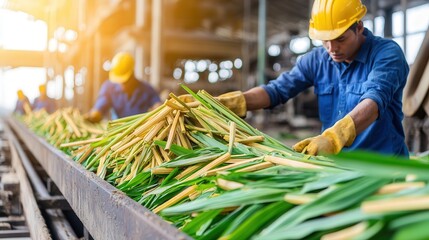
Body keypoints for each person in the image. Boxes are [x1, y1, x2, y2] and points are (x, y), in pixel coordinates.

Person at [219, 0, 410, 157]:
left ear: (359, 27)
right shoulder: (317, 60)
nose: (332, 48)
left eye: (340, 39)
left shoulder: (386, 53)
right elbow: (276, 90)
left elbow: (374, 101)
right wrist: (231, 103)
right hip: (335, 167)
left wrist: (335, 137)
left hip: (383, 166)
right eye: (325, 40)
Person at [85, 52, 161, 123]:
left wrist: (159, 110)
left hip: (141, 132)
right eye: (119, 81)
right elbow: (99, 108)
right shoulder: (109, 87)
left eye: (125, 81)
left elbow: (157, 105)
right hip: (118, 131)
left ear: (132, 74)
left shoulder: (147, 90)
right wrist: (93, 115)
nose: (122, 84)